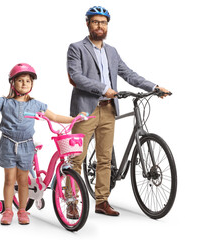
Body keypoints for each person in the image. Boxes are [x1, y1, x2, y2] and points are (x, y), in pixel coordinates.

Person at [67, 6, 170, 216]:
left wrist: (153, 87)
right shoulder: (76, 48)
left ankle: (101, 201)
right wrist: (104, 88)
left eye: (103, 22)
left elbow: (128, 73)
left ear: (107, 25)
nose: (100, 26)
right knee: (76, 158)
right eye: (95, 22)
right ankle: (71, 202)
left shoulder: (112, 51)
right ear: (87, 23)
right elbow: (76, 76)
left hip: (108, 109)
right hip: (86, 110)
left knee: (105, 158)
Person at [0, 63, 84, 225]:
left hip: (26, 145)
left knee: (23, 180)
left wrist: (75, 118)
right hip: (8, 144)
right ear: (12, 83)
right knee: (9, 180)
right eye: (20, 80)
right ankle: (8, 210)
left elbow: (55, 117)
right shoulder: (5, 102)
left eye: (27, 81)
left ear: (32, 84)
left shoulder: (36, 105)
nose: (24, 84)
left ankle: (22, 210)